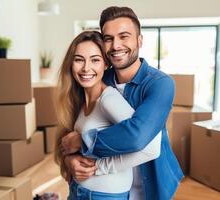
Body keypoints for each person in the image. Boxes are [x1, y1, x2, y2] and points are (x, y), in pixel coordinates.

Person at [62, 6, 184, 200]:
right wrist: (70, 159)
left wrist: (84, 142)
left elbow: (137, 136)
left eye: (124, 36)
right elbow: (72, 128)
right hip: (110, 185)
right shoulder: (98, 77)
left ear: (140, 40)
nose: (116, 45)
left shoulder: (159, 83)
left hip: (150, 183)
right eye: (108, 38)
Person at [55, 31, 162, 200]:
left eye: (95, 60)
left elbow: (152, 148)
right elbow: (71, 145)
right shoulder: (79, 99)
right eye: (78, 59)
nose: (85, 68)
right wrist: (70, 160)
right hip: (77, 191)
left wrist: (98, 167)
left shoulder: (109, 100)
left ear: (106, 64)